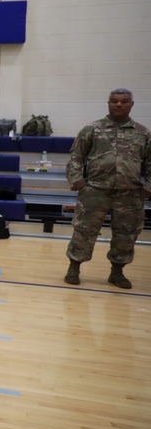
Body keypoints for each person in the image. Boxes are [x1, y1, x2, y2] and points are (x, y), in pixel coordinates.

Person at [64, 89, 151, 288]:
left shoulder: (143, 133)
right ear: (108, 103)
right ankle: (74, 267)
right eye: (114, 101)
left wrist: (148, 189)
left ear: (132, 104)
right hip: (95, 191)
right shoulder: (92, 129)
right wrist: (79, 184)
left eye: (124, 101)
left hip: (129, 193)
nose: (118, 105)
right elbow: (76, 158)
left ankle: (117, 272)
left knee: (126, 234)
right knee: (84, 231)